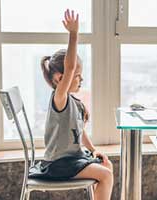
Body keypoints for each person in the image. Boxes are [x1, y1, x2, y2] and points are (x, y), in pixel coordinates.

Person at [29, 9, 113, 200]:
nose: (80, 79)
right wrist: (73, 34)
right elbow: (70, 66)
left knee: (107, 165)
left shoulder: (74, 102)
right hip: (59, 164)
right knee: (106, 175)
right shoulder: (60, 99)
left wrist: (92, 150)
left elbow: (80, 131)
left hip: (72, 159)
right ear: (60, 78)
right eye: (77, 75)